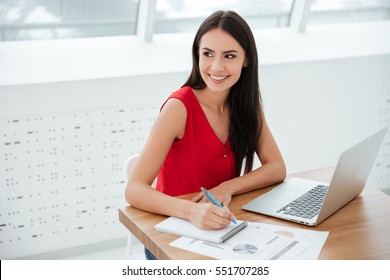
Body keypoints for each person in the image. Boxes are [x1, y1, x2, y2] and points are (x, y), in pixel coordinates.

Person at [125, 10, 286, 260]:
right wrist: (191, 211)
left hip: (221, 226)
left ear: (246, 60)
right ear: (197, 55)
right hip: (172, 232)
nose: (217, 67)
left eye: (229, 56)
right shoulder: (178, 108)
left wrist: (227, 188)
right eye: (208, 54)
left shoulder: (247, 106)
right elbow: (134, 190)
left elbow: (277, 168)